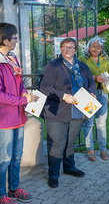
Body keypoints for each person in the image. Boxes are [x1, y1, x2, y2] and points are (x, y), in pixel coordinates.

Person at [0, 23, 38, 204]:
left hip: (18, 116)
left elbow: (20, 83)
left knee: (16, 157)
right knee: (3, 160)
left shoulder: (11, 58)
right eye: (14, 37)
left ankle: (13, 189)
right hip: (3, 120)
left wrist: (26, 100)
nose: (17, 40)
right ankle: (1, 196)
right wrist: (22, 99)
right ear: (5, 41)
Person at [39, 37, 96, 188]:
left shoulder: (82, 67)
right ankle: (53, 174)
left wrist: (91, 93)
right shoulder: (52, 66)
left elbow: (91, 83)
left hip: (78, 111)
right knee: (57, 144)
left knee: (70, 143)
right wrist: (63, 96)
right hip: (57, 112)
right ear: (60, 49)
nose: (67, 50)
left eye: (71, 47)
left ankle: (69, 167)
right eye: (64, 47)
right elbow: (44, 87)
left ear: (76, 50)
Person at [78, 36, 109, 162]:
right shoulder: (82, 59)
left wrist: (107, 78)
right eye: (94, 46)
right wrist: (94, 78)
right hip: (89, 94)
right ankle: (90, 150)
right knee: (88, 122)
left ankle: (103, 149)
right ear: (89, 46)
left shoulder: (105, 58)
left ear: (102, 49)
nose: (96, 49)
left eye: (99, 48)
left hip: (103, 93)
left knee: (101, 123)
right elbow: (79, 77)